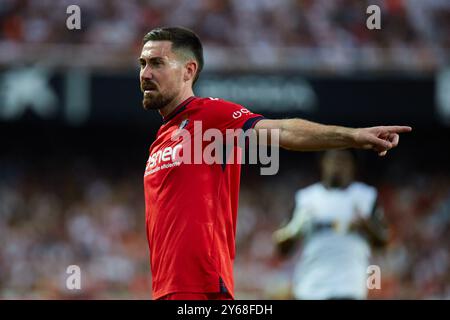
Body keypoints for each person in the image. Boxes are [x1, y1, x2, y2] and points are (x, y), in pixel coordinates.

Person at [139, 26, 411, 300]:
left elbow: (282, 131)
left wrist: (353, 136)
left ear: (188, 70)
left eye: (157, 63)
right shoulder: (161, 140)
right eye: (143, 63)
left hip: (201, 287)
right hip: (166, 289)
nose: (145, 73)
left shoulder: (210, 114)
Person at [273, 150, 388, 300]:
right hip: (310, 286)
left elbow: (383, 241)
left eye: (344, 160)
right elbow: (282, 249)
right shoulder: (306, 198)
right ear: (322, 163)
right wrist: (295, 228)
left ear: (353, 166)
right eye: (333, 159)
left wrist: (367, 226)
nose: (337, 164)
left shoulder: (366, 196)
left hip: (349, 286)